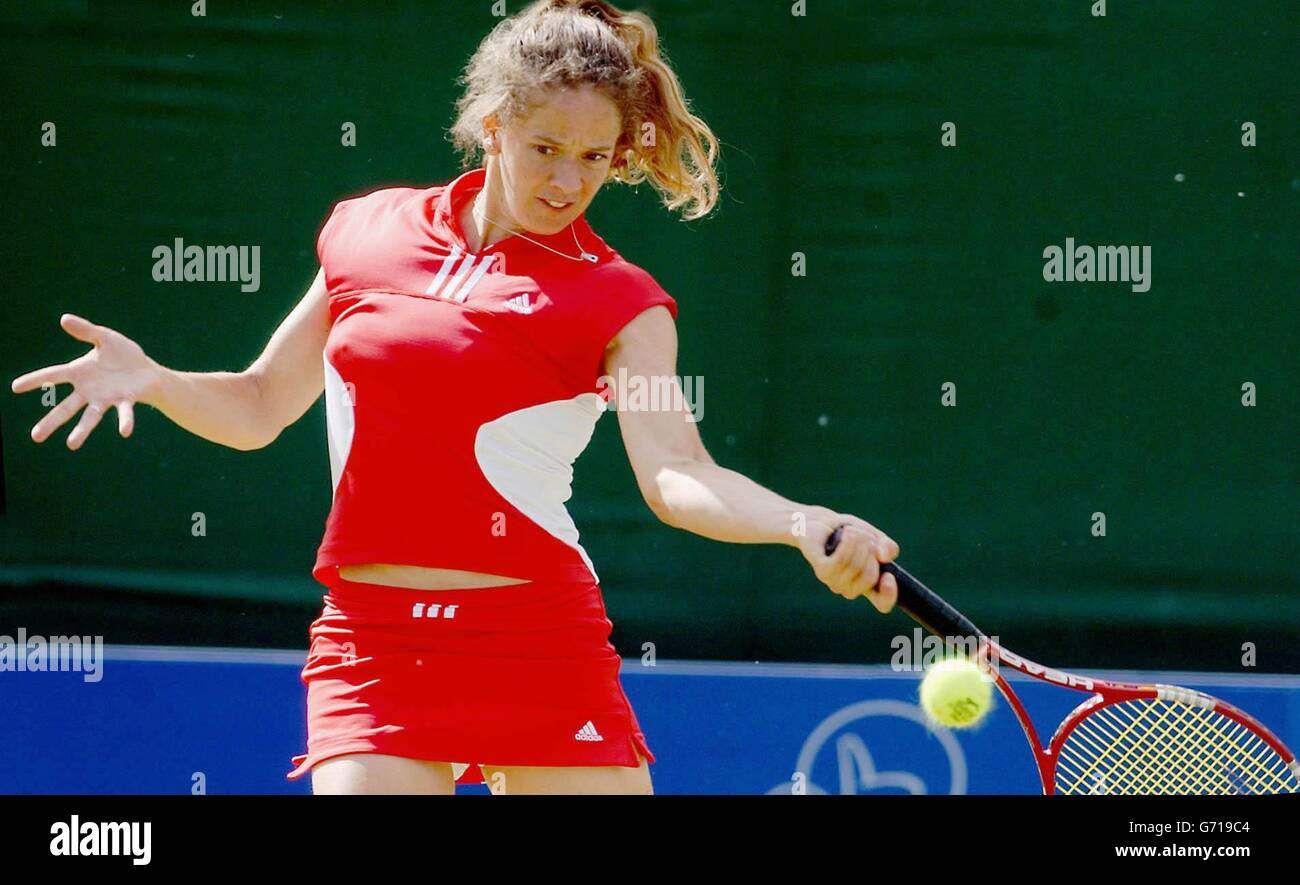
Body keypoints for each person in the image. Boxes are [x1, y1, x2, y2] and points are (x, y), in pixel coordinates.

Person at [9, 0, 899, 795]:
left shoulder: (623, 301)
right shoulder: (366, 233)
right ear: (490, 124)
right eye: (544, 148)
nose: (565, 181)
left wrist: (795, 521)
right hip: (375, 641)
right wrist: (158, 382)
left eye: (594, 158)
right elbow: (257, 406)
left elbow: (676, 475)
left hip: (539, 638)